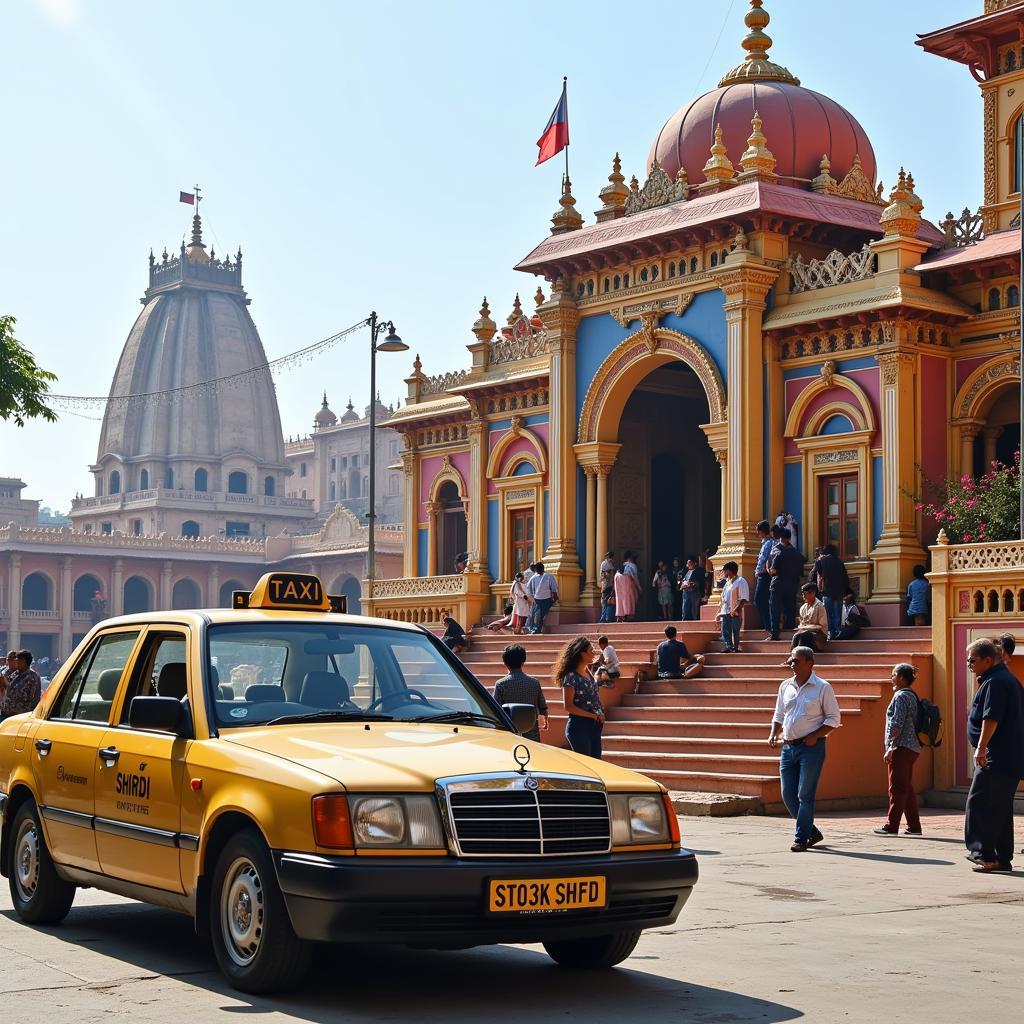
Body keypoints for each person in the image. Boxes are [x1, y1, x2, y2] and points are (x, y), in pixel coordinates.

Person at [768, 647, 841, 852]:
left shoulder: (822, 687)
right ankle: (812, 831)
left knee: (804, 794)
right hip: (788, 747)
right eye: (791, 661)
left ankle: (801, 838)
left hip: (811, 748)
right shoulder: (786, 686)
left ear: (809, 663)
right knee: (788, 795)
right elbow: (779, 713)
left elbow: (834, 719)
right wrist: (774, 732)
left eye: (796, 661)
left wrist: (815, 735)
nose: (792, 664)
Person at [964, 638, 1024, 872]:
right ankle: (1000, 857)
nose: (969, 664)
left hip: (995, 757)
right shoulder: (1006, 679)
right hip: (1008, 756)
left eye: (972, 660)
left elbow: (992, 718)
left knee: (980, 803)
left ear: (987, 660)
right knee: (999, 807)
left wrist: (981, 748)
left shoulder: (996, 682)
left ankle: (985, 853)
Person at [873, 663, 923, 837]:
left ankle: (891, 825)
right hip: (913, 746)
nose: (891, 677)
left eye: (893, 674)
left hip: (901, 746)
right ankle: (914, 826)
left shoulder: (901, 697)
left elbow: (896, 723)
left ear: (901, 678)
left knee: (896, 787)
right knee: (906, 787)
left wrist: (891, 747)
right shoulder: (912, 695)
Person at [555, 636, 612, 758]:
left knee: (596, 763)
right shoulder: (571, 676)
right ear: (582, 654)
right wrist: (593, 715)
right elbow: (569, 706)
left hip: (594, 726)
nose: (594, 653)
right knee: (587, 765)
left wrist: (600, 713)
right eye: (591, 650)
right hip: (579, 726)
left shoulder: (588, 672)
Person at [493, 644, 548, 742]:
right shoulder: (534, 682)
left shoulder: (500, 684)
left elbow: (496, 709)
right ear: (523, 662)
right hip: (531, 731)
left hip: (509, 732)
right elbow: (542, 705)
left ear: (505, 663)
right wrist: (545, 721)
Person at [767, 527, 802, 641]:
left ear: (781, 538)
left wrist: (770, 570)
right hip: (792, 584)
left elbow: (773, 570)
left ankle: (774, 633)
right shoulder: (796, 553)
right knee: (790, 607)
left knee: (775, 608)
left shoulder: (777, 551)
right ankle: (790, 630)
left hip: (778, 583)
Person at [814, 544, 850, 640]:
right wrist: (845, 591)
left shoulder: (821, 561)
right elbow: (845, 578)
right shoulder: (839, 562)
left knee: (828, 614)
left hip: (827, 591)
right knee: (837, 613)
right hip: (839, 592)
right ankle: (838, 631)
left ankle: (830, 632)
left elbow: (819, 574)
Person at [0, 650, 42, 721]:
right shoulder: (16, 673)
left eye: (17, 661)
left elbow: (34, 699)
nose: (15, 663)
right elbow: (9, 686)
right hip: (7, 714)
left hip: (21, 718)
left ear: (23, 661)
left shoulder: (33, 677)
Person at [717, 561, 749, 654]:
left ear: (730, 571)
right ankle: (728, 646)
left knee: (735, 630)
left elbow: (744, 598)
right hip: (725, 611)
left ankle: (735, 648)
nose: (724, 573)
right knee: (725, 630)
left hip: (735, 611)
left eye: (725, 571)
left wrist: (736, 609)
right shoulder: (727, 583)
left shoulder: (741, 581)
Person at [792, 583, 828, 652]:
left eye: (805, 594)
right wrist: (804, 628)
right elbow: (802, 624)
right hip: (805, 632)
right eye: (802, 594)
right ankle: (793, 657)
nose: (803, 596)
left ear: (813, 593)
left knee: (804, 635)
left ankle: (800, 658)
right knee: (796, 636)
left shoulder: (820, 606)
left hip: (819, 634)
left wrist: (807, 628)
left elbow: (822, 625)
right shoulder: (803, 608)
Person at [753, 520, 775, 632]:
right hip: (764, 575)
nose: (757, 534)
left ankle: (769, 626)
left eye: (758, 532)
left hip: (765, 575)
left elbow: (764, 559)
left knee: (759, 600)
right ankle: (768, 626)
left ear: (762, 531)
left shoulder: (768, 543)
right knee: (764, 601)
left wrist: (757, 571)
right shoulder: (768, 542)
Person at [526, 562, 558, 634]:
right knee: (537, 614)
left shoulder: (547, 576)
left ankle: (536, 628)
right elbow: (554, 588)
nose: (537, 570)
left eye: (537, 568)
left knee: (539, 614)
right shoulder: (538, 577)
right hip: (539, 599)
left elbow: (553, 588)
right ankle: (535, 628)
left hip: (545, 599)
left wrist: (555, 597)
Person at [679, 556, 706, 622]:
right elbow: (683, 580)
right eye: (687, 563)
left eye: (689, 563)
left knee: (694, 608)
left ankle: (695, 620)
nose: (688, 565)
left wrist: (692, 584)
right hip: (686, 592)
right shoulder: (686, 571)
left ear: (694, 563)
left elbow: (699, 582)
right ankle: (685, 620)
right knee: (685, 607)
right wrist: (682, 585)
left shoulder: (699, 571)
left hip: (694, 593)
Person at [599, 552, 617, 624]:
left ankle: (608, 618)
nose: (611, 559)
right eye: (610, 557)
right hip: (606, 585)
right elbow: (604, 575)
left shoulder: (610, 564)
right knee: (605, 602)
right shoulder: (605, 564)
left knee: (609, 602)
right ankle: (603, 619)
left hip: (610, 585)